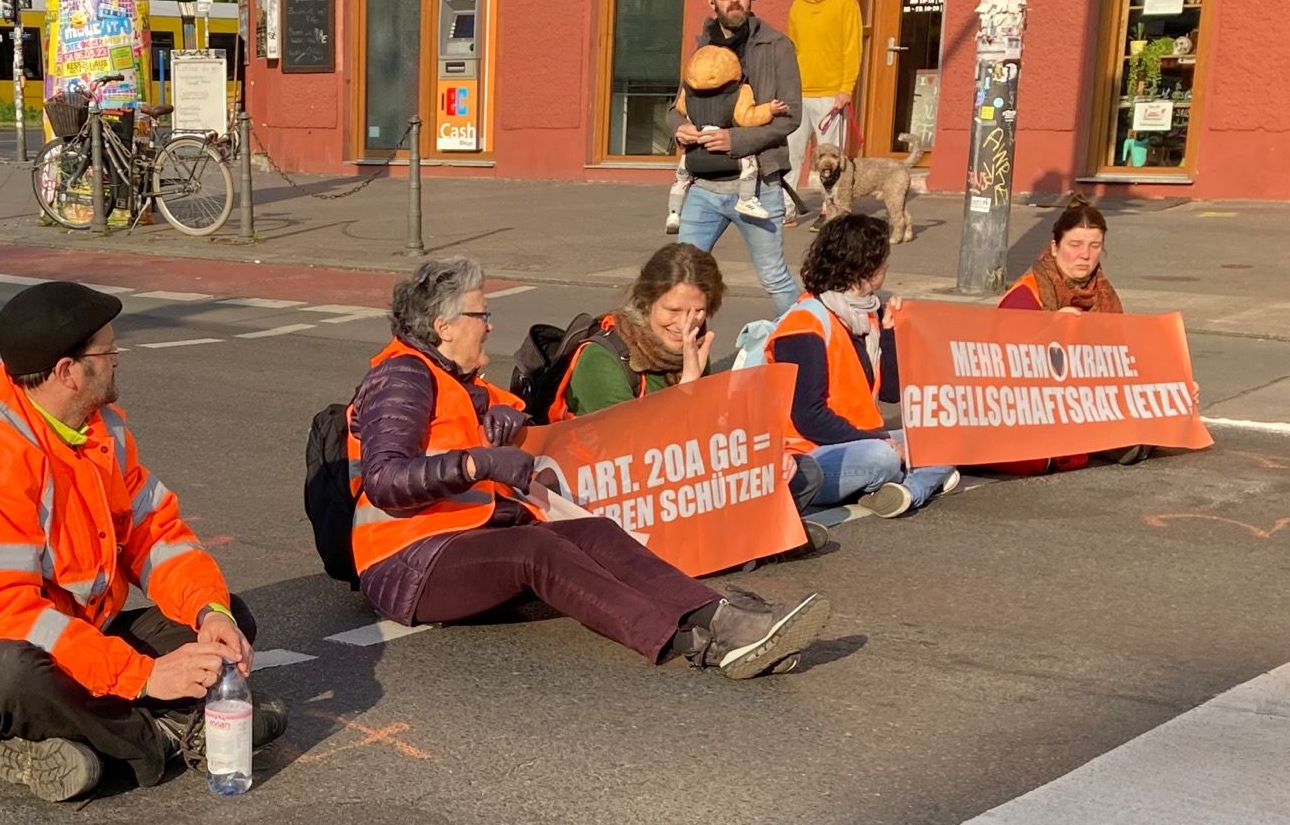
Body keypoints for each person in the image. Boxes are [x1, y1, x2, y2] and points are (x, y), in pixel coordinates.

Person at [0, 280, 287, 803]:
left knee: (225, 618)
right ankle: (162, 737)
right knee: (17, 674)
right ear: (68, 373)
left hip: (71, 633)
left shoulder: (96, 428)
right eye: (108, 351)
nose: (118, 360)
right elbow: (5, 618)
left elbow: (156, 536)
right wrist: (143, 677)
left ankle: (81, 745)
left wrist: (210, 613)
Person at [350, 255, 828, 680]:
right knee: (535, 548)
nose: (490, 325)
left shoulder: (455, 377)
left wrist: (503, 418)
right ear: (445, 326)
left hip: (462, 540)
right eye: (481, 314)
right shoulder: (402, 377)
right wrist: (477, 462)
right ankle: (695, 644)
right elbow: (386, 480)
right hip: (406, 566)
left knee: (593, 530)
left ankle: (721, 618)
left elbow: (512, 413)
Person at [769, 214, 957, 520]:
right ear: (868, 266)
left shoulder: (870, 313)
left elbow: (893, 391)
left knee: (944, 432)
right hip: (807, 455)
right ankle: (915, 481)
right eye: (884, 259)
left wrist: (891, 332)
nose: (887, 267)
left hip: (860, 439)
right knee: (882, 458)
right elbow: (808, 417)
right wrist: (880, 440)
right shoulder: (804, 323)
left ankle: (907, 492)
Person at [673, 0, 803, 317]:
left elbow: (791, 114)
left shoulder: (776, 45)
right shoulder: (702, 46)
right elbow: (676, 107)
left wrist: (737, 141)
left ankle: (808, 347)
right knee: (680, 277)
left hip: (759, 186)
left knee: (774, 277)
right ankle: (679, 357)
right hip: (704, 186)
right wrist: (677, 129)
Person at [994, 198, 1146, 472]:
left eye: (1094, 246)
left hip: (1087, 402)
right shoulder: (1025, 295)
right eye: (1075, 245)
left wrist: (1174, 391)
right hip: (1036, 406)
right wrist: (1051, 330)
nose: (1085, 255)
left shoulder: (1104, 293)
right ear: (1054, 247)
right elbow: (1002, 366)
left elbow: (1123, 362)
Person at [553, 243, 723, 417]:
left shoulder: (693, 348)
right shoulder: (601, 360)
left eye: (698, 311)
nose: (683, 324)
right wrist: (687, 387)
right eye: (673, 310)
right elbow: (630, 437)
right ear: (647, 303)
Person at [782, 0, 862, 223]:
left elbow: (852, 48)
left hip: (831, 95)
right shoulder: (797, 7)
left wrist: (846, 88)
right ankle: (787, 210)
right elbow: (792, 51)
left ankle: (830, 211)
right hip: (799, 94)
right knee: (790, 155)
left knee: (830, 160)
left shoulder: (845, 2)